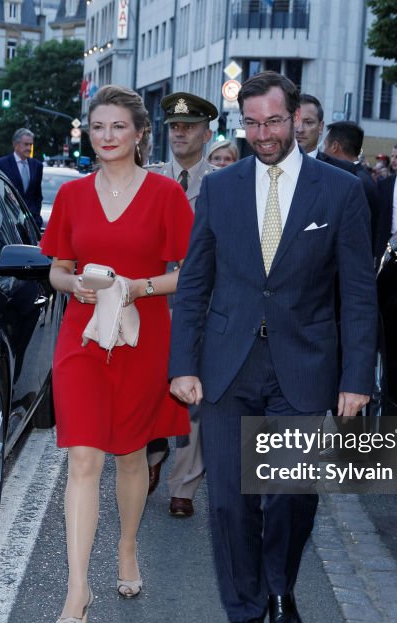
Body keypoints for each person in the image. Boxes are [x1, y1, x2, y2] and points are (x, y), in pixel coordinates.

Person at [168, 71, 377, 623]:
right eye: (252, 123)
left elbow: (359, 293)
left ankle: (282, 591)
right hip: (228, 366)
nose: (263, 134)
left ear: (299, 119)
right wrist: (183, 363)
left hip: (304, 366)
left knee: (289, 495)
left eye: (274, 121)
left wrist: (357, 377)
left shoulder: (339, 192)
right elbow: (195, 284)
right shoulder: (222, 188)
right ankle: (244, 612)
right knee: (230, 503)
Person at [39, 85, 192, 623]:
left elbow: (187, 272)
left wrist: (137, 287)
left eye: (117, 128)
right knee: (84, 458)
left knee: (131, 455)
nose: (106, 137)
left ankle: (127, 547)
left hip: (143, 338)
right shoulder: (74, 196)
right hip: (82, 339)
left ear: (138, 134)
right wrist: (74, 283)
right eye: (98, 127)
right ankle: (78, 585)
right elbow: (56, 268)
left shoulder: (165, 194)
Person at [146, 91, 219, 518]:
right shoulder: (149, 179)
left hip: (198, 306)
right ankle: (153, 457)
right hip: (149, 302)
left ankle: (184, 486)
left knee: (192, 394)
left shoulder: (221, 184)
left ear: (207, 133)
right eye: (174, 126)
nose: (180, 133)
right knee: (149, 390)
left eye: (189, 127)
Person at [322, 121, 380, 241]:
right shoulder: (363, 177)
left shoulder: (354, 181)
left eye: (324, 145)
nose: (322, 151)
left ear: (335, 147)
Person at [0, 128, 44, 228]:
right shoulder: (1, 164)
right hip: (7, 224)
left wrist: (36, 216)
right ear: (15, 144)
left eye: (31, 144)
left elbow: (37, 195)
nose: (29, 148)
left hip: (31, 223)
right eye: (26, 144)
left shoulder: (37, 166)